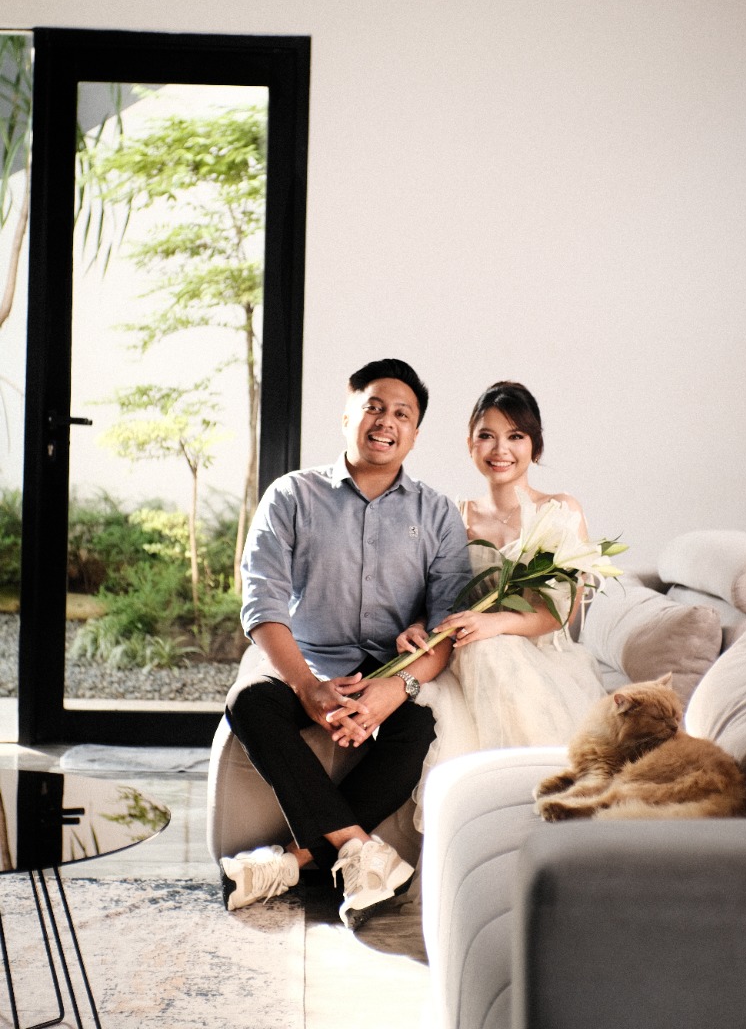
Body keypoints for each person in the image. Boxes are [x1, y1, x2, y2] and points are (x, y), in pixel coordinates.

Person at [221, 359, 472, 928]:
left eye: (401, 414)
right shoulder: (291, 495)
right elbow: (262, 605)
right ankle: (359, 850)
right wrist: (306, 687)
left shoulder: (436, 512)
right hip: (308, 658)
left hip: (388, 665)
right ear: (346, 417)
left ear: (414, 433)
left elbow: (449, 625)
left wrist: (395, 688)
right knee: (249, 702)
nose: (386, 422)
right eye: (373, 407)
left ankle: (289, 862)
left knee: (419, 726)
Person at [398, 380, 606, 791]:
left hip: (540, 657)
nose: (500, 450)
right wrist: (417, 625)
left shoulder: (560, 510)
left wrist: (495, 624)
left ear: (535, 445)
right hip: (465, 654)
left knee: (489, 647)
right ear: (470, 444)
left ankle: (540, 789)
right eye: (486, 436)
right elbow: (436, 594)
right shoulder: (455, 514)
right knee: (479, 650)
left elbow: (562, 612)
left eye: (515, 436)